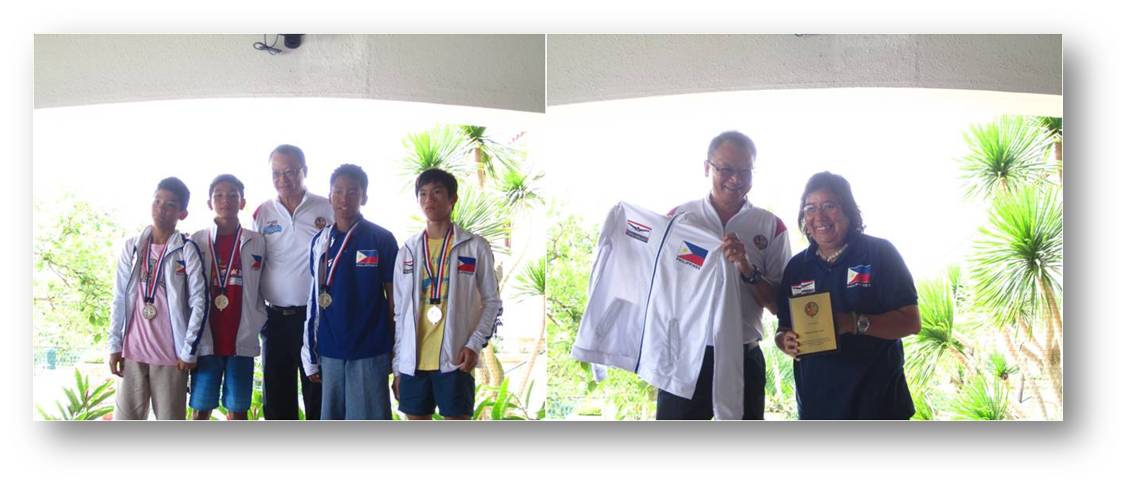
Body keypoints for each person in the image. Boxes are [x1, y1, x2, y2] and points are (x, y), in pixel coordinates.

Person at [663, 130, 791, 420]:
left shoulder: (770, 226)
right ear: (707, 167)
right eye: (726, 169)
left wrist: (746, 268)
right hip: (685, 355)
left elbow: (779, 305)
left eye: (745, 171)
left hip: (744, 357)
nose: (736, 178)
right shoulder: (677, 220)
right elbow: (654, 286)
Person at [774, 171, 921, 420]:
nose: (819, 216)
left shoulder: (879, 253)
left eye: (829, 206)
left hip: (878, 405)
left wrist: (851, 323)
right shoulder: (797, 267)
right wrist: (784, 341)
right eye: (810, 208)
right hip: (816, 407)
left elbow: (911, 322)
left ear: (848, 210)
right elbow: (783, 329)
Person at [392, 169, 502, 420]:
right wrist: (398, 365)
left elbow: (492, 301)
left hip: (455, 358)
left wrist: (474, 344)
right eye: (423, 194)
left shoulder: (475, 246)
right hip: (413, 362)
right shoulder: (407, 250)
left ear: (453, 199)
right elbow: (399, 312)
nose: (429, 200)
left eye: (437, 193)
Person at [301, 164, 399, 419]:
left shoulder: (382, 239)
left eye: (352, 192)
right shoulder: (319, 241)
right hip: (330, 349)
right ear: (330, 195)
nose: (345, 198)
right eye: (339, 191)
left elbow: (394, 302)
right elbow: (313, 299)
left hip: (370, 348)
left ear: (364, 196)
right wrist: (309, 351)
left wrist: (397, 351)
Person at [107, 177, 207, 420]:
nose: (161, 208)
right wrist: (115, 344)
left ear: (182, 213)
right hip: (132, 353)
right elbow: (119, 297)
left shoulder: (186, 249)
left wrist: (188, 351)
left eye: (170, 204)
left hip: (170, 357)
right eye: (157, 201)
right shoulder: (132, 248)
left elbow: (199, 303)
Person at [252, 144, 333, 420]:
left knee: (317, 393)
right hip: (275, 320)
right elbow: (253, 263)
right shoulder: (262, 213)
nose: (282, 179)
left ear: (305, 171)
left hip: (317, 319)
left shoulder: (327, 207)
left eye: (289, 172)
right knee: (277, 398)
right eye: (276, 173)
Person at [188, 175, 267, 420]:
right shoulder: (197, 240)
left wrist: (258, 320)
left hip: (240, 339)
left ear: (242, 202)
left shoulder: (257, 241)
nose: (226, 200)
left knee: (239, 408)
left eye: (233, 195)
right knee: (201, 408)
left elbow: (265, 283)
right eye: (219, 195)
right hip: (207, 340)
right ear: (209, 202)